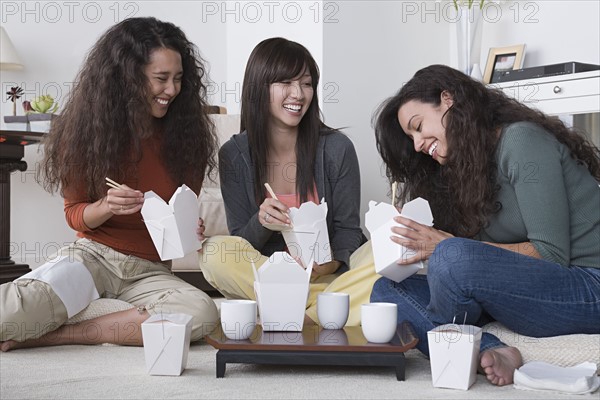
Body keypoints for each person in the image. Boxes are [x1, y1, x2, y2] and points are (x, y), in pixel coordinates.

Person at [371, 64, 600, 386]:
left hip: (589, 283)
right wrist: (415, 238)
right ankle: (491, 349)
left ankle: (455, 341)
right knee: (386, 291)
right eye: (411, 137)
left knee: (451, 256)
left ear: (448, 100)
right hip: (531, 290)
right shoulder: (466, 171)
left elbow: (552, 255)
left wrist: (445, 247)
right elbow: (479, 267)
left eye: (418, 126)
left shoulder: (521, 142)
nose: (418, 143)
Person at [0, 17, 220, 351]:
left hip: (151, 270)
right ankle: (95, 313)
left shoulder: (188, 138)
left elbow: (179, 216)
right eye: (161, 79)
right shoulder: (88, 133)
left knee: (201, 314)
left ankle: (61, 334)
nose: (172, 90)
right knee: (10, 316)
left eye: (178, 79)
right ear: (127, 79)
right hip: (94, 256)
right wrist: (106, 206)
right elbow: (75, 215)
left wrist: (188, 227)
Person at [201, 37, 376, 326]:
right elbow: (240, 242)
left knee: (381, 251)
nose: (298, 93)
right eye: (286, 82)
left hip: (327, 278)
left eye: (306, 84)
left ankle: (298, 314)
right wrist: (262, 222)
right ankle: (328, 312)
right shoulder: (234, 155)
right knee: (215, 252)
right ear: (259, 88)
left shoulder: (336, 148)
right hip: (272, 277)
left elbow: (349, 232)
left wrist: (328, 264)